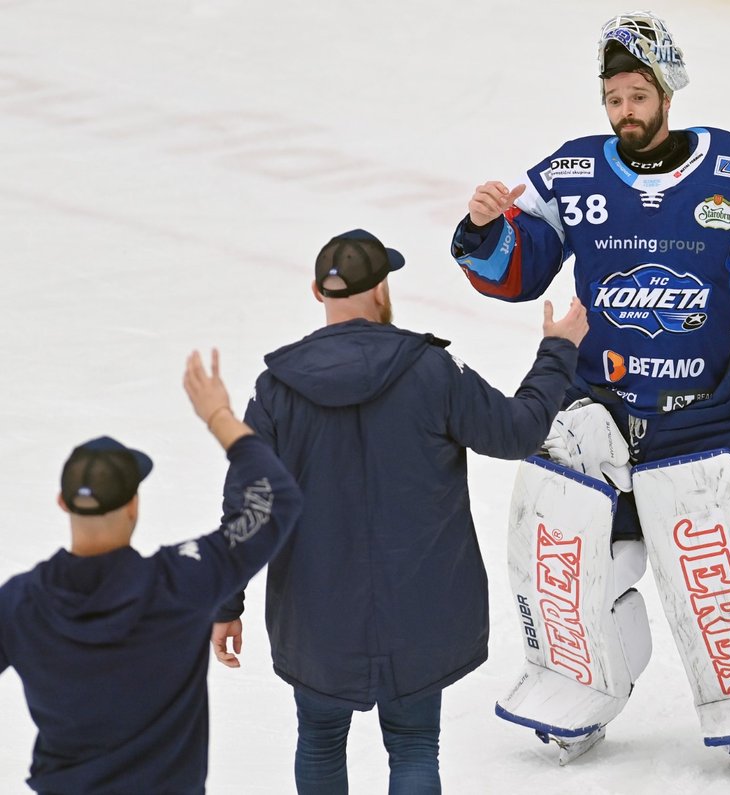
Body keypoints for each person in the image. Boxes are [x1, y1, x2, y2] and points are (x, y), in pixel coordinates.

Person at [449, 10, 730, 775]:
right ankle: (578, 697)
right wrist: (486, 230)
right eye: (613, 98)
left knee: (714, 576)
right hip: (602, 417)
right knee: (583, 570)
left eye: (637, 96)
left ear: (667, 91)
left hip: (707, 418)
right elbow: (517, 271)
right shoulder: (576, 173)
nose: (625, 111)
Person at [209, 228, 588, 794]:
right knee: (413, 745)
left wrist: (225, 602)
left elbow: (247, 504)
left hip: (317, 614)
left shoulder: (276, 388)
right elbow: (516, 432)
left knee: (318, 738)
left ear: (318, 292)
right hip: (421, 607)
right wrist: (558, 350)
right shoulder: (432, 370)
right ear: (382, 288)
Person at [0, 350, 303, 794]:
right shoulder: (182, 580)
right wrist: (218, 416)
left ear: (63, 504)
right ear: (133, 504)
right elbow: (274, 499)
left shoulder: (20, 603)